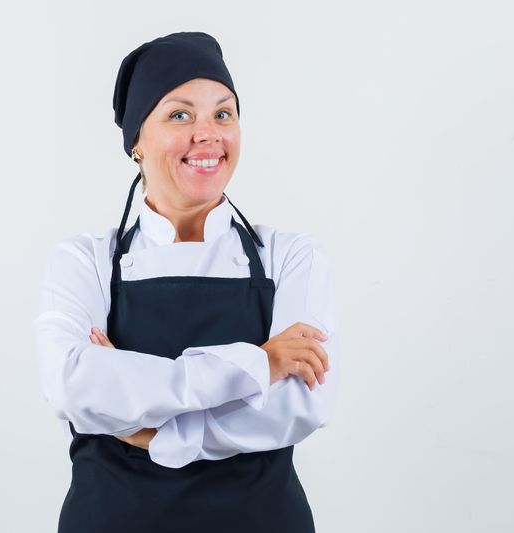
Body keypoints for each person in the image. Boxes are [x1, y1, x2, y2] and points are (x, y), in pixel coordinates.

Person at [33, 31, 340, 533]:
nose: (208, 134)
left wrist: (156, 432)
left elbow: (301, 404)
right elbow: (73, 386)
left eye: (223, 114)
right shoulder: (85, 261)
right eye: (180, 115)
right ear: (137, 141)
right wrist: (259, 363)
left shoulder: (290, 256)